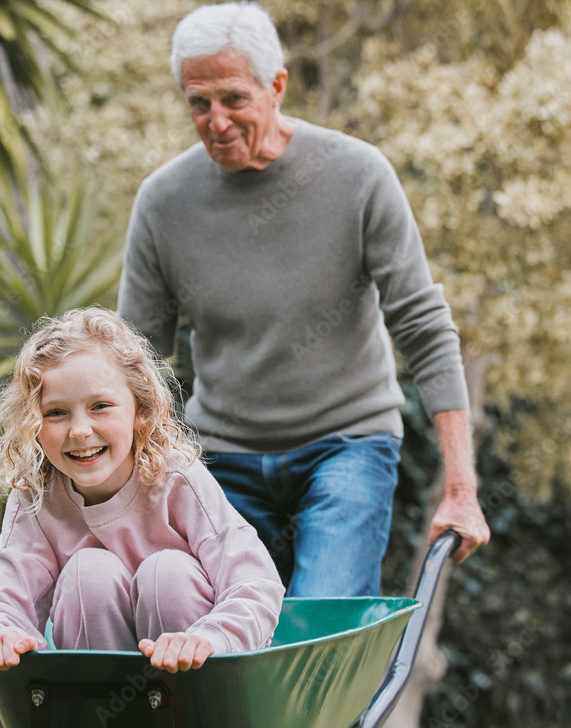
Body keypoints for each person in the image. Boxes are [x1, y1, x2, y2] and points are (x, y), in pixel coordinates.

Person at [117, 2, 490, 598]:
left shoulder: (357, 176)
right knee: (226, 634)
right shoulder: (164, 202)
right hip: (224, 458)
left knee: (318, 623)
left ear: (277, 87)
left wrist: (462, 491)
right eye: (198, 102)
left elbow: (423, 326)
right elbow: (132, 362)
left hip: (347, 445)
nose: (215, 120)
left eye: (234, 98)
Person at [0, 307, 283, 673]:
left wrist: (209, 639)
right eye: (56, 413)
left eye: (100, 406)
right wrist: (0, 632)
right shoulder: (37, 495)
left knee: (167, 573)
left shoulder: (176, 478)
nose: (80, 431)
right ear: (32, 423)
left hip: (199, 681)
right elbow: (8, 601)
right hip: (98, 696)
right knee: (89, 572)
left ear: (141, 410)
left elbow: (255, 582)